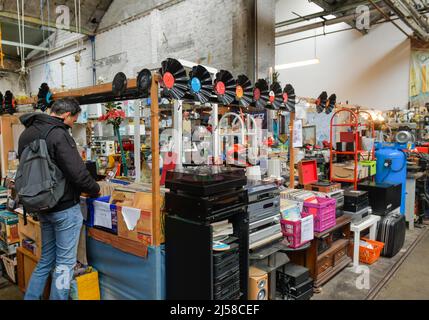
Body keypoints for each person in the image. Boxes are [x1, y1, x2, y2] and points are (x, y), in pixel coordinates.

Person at [18, 98, 100, 300]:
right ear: (66, 115)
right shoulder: (58, 134)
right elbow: (77, 173)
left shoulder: (26, 133)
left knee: (46, 259)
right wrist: (95, 189)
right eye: (74, 119)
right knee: (64, 265)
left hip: (41, 205)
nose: (72, 123)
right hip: (64, 208)